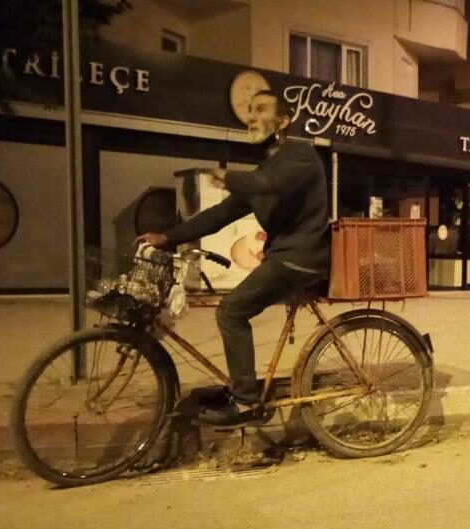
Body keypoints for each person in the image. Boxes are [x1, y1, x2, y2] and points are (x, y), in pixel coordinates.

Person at [135, 90, 329, 425]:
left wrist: (228, 176)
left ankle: (246, 403)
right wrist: (168, 238)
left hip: (301, 256)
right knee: (227, 303)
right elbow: (220, 214)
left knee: (232, 311)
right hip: (281, 257)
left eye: (262, 109)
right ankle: (242, 386)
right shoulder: (264, 169)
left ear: (284, 121)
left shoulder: (301, 154)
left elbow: (269, 183)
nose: (252, 116)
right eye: (249, 111)